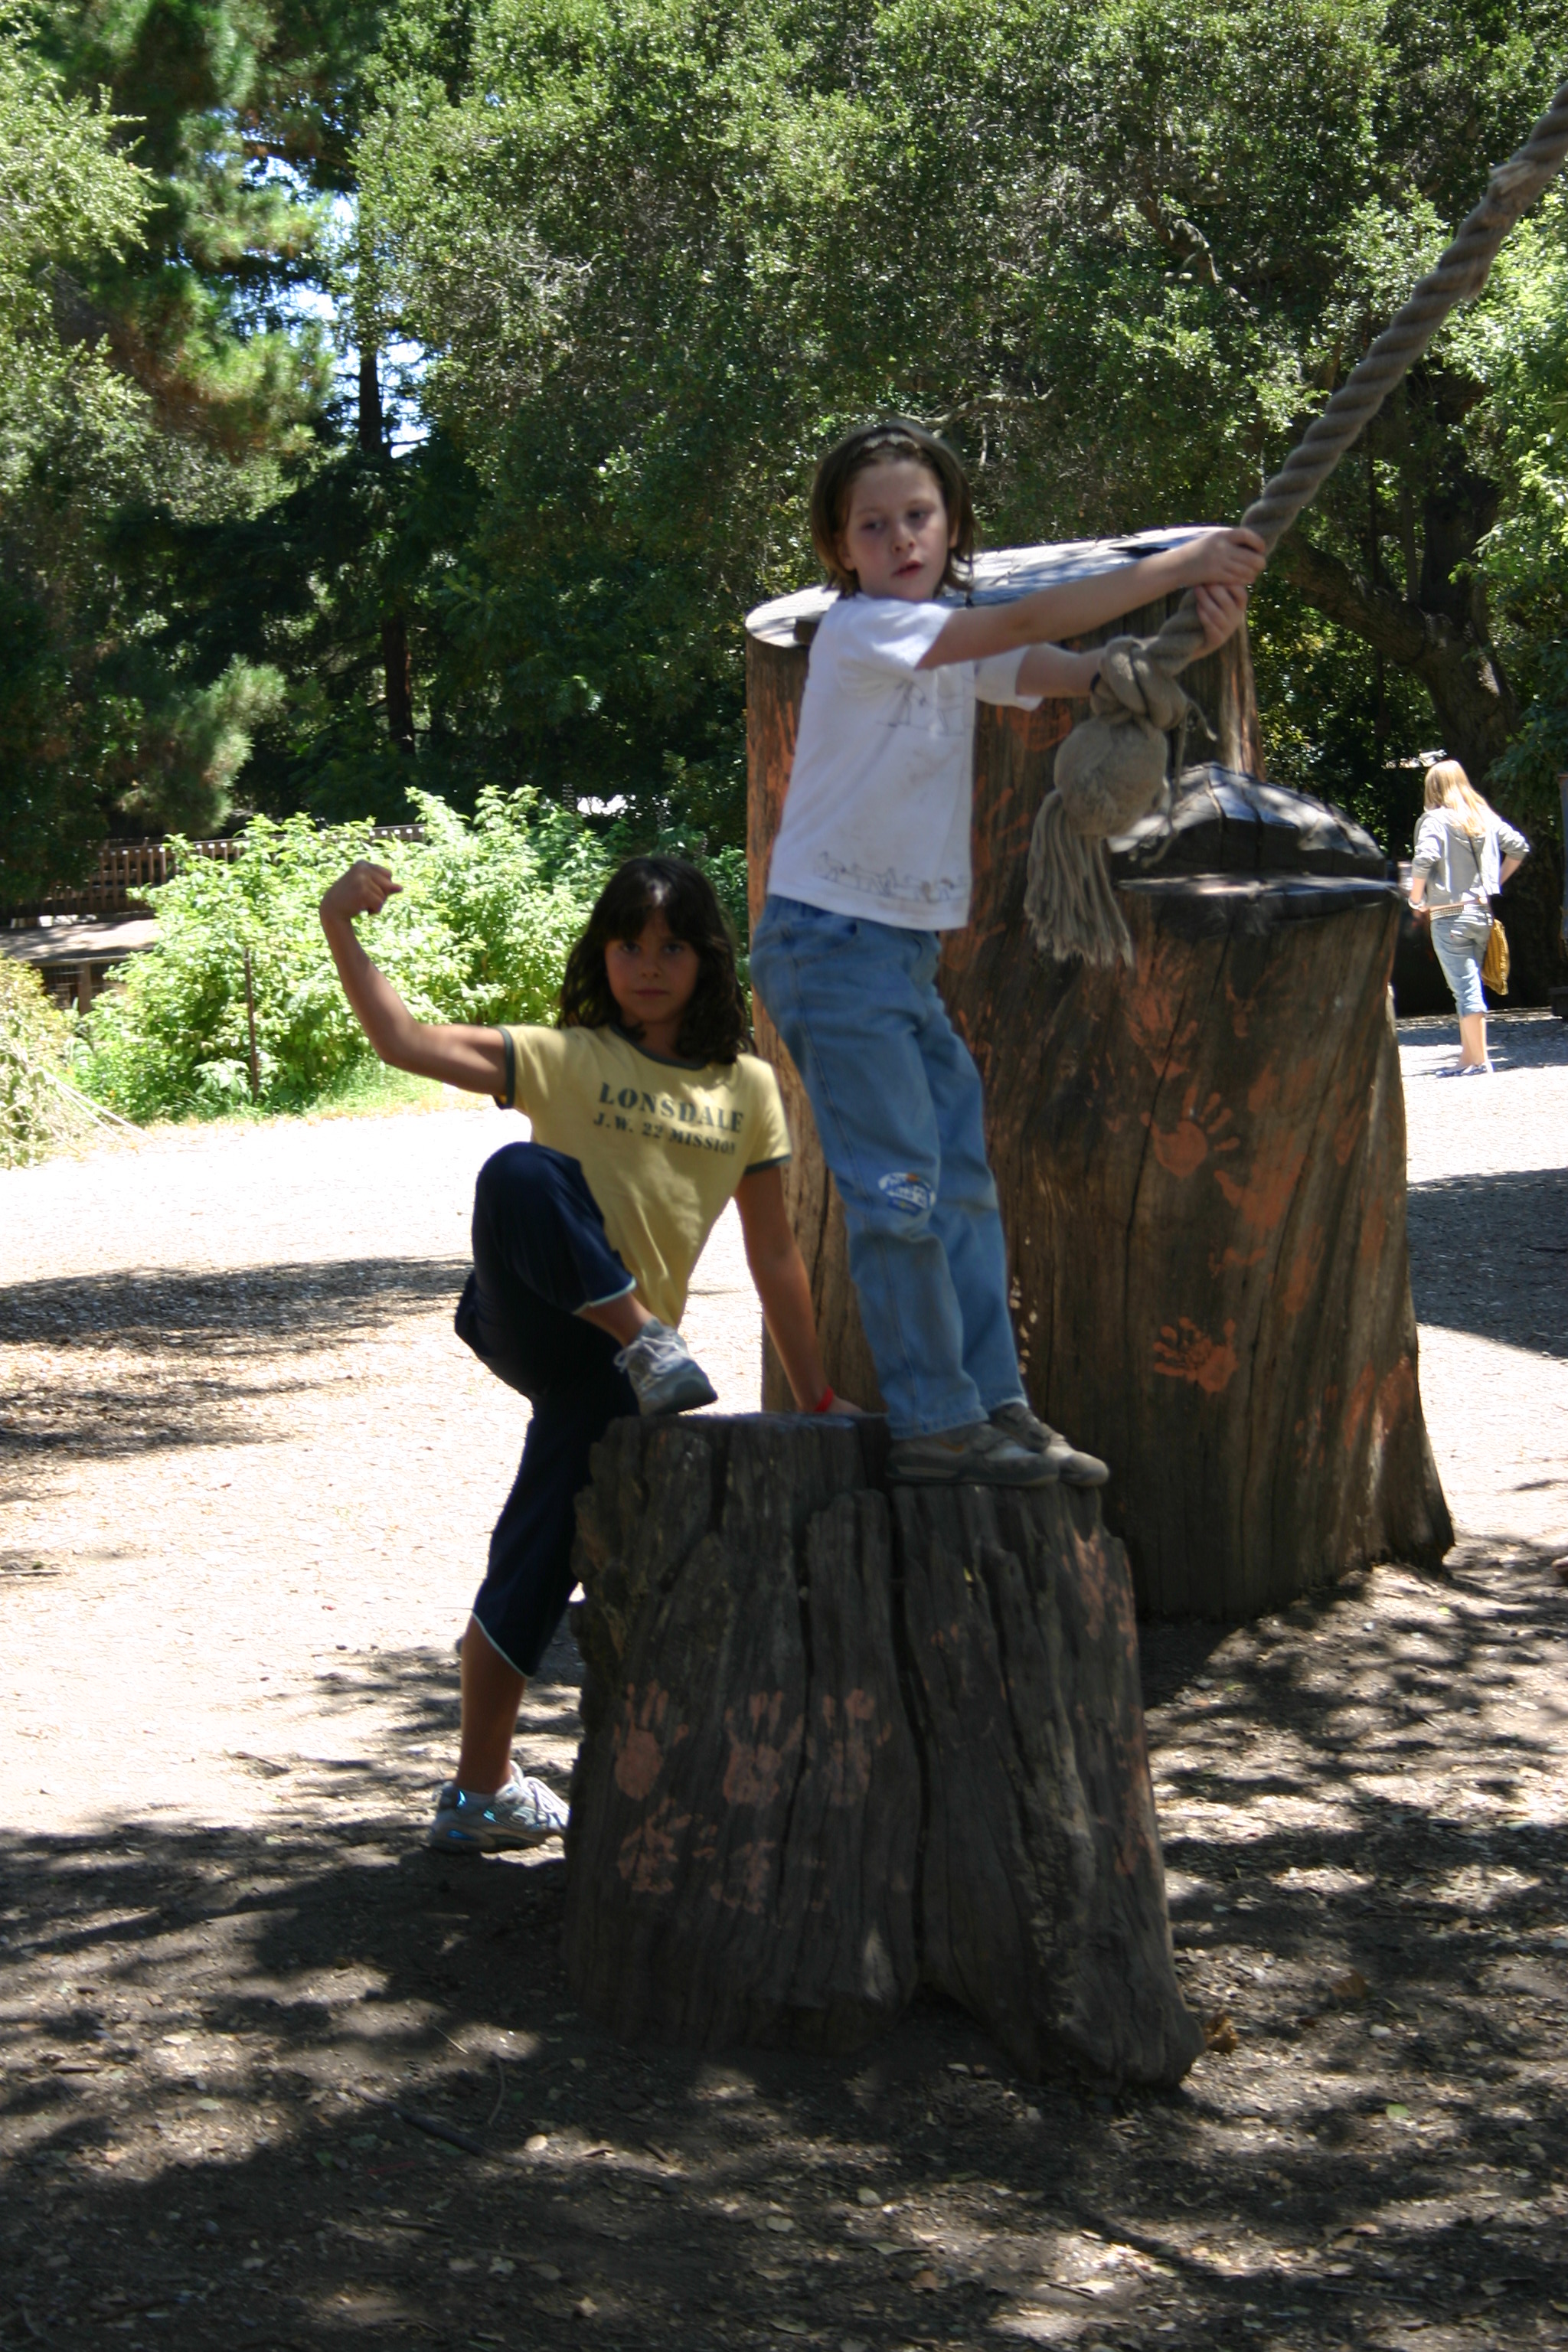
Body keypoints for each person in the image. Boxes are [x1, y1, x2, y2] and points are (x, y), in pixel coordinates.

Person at [750, 416, 1264, 1491]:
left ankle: (992, 1405)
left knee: (961, 1188)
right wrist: (1182, 565)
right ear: (839, 547)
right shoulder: (864, 633)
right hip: (829, 947)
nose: (901, 538)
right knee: (898, 1192)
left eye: (919, 516)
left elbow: (1051, 663)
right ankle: (935, 1421)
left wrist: (1166, 650)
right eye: (873, 525)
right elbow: (1023, 620)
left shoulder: (946, 641)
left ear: (951, 525)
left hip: (897, 956)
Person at [319, 854, 848, 1853]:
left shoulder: (747, 1088)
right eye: (628, 945)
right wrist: (338, 923)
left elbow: (776, 1253)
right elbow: (401, 1041)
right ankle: (639, 1333)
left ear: (706, 959)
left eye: (671, 947)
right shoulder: (563, 1056)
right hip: (538, 1316)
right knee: (519, 1173)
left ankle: (480, 1792)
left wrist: (816, 1396)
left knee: (536, 1548)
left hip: (611, 1382)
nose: (648, 966)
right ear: (601, 955)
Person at [1407, 759, 1529, 1075]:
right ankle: (1468, 1058)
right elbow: (1518, 847)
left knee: (1465, 989)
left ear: (1433, 788)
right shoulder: (1483, 815)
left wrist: (1415, 898)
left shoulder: (1433, 820)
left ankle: (1479, 1061)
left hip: (1450, 916)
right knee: (1470, 986)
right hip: (1482, 914)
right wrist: (1494, 883)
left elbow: (1424, 858)